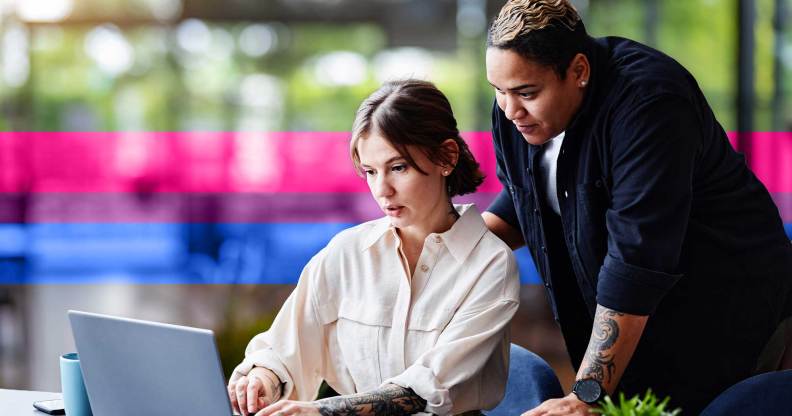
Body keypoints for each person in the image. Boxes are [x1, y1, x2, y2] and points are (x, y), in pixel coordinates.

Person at [481, 1, 792, 414]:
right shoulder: (518, 111)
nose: (509, 110)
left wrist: (586, 393)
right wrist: (436, 254)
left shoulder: (651, 102)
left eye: (526, 93)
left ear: (578, 71)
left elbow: (636, 259)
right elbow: (528, 203)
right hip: (634, 340)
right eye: (498, 91)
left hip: (727, 317)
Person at [227, 79, 521, 416]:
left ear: (447, 157)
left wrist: (323, 412)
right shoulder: (348, 252)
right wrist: (262, 379)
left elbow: (426, 391)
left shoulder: (490, 265)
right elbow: (285, 348)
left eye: (398, 168)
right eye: (369, 171)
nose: (383, 190)